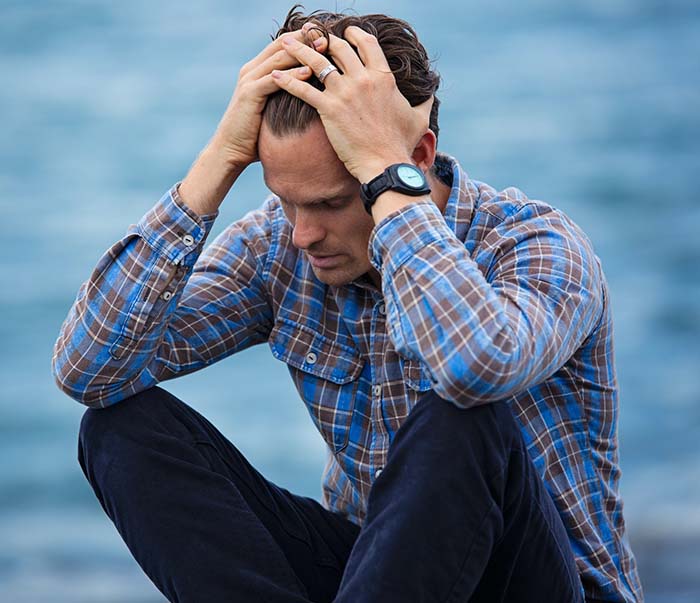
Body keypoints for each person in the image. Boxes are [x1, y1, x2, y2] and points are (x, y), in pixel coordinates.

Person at [52, 6, 643, 603]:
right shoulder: (280, 248)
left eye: (332, 203)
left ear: (414, 157)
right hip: (376, 574)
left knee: (462, 413)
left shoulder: (535, 246)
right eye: (286, 201)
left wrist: (388, 182)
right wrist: (219, 161)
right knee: (119, 429)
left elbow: (473, 366)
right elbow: (89, 371)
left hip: (537, 584)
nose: (303, 233)